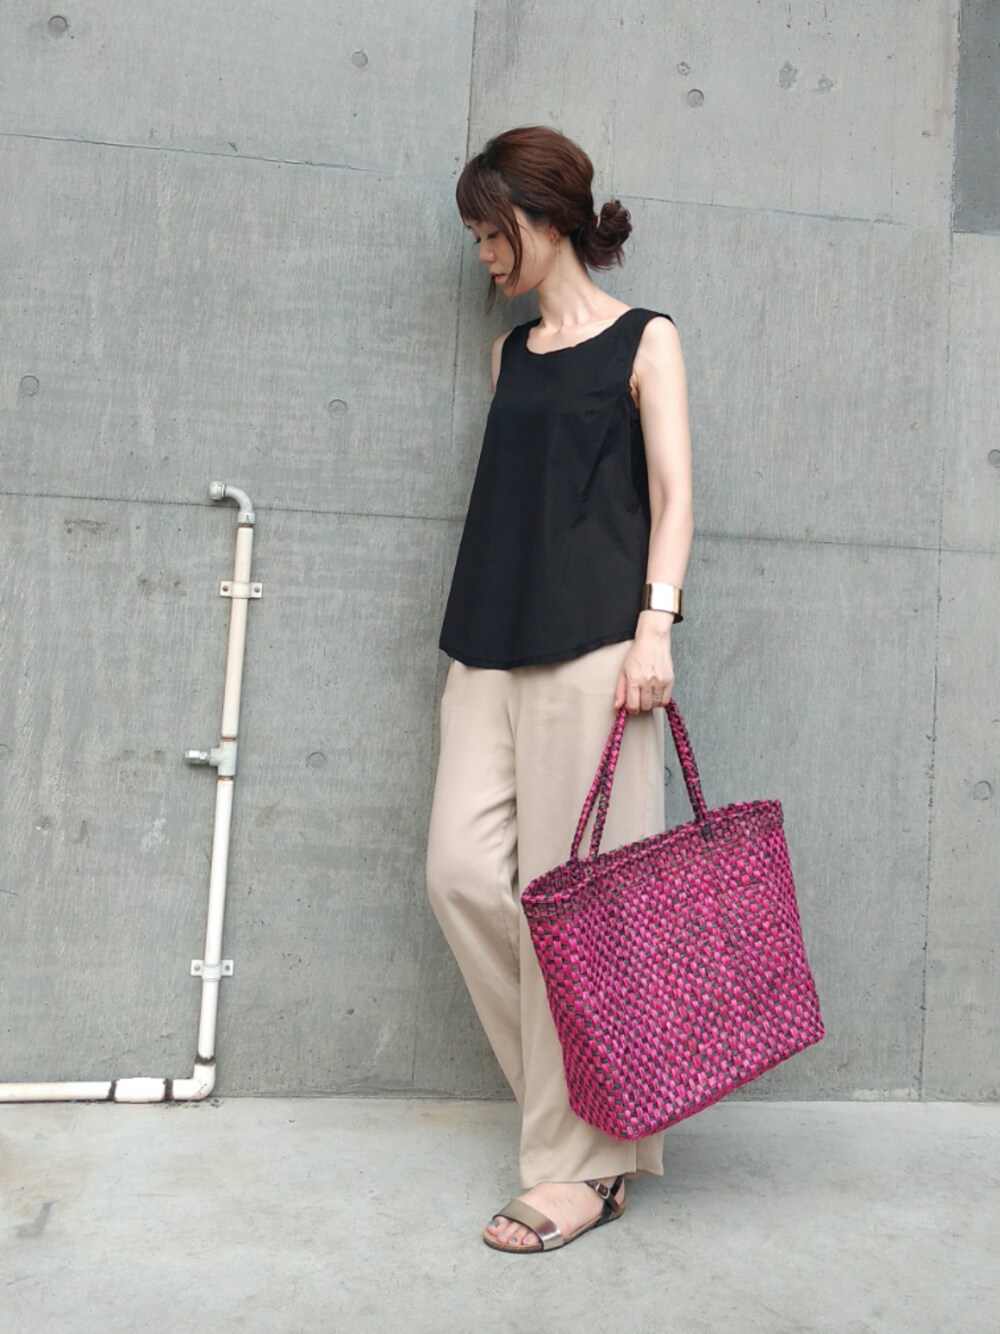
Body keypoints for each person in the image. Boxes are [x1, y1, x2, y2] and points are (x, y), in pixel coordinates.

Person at [425, 125, 694, 1253]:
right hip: (486, 644)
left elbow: (675, 496)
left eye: (494, 233)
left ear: (544, 220)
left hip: (596, 651)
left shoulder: (645, 338)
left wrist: (654, 627)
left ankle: (582, 1166)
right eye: (477, 238)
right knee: (460, 875)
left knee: (578, 912)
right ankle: (590, 1111)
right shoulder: (512, 355)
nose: (486, 255)